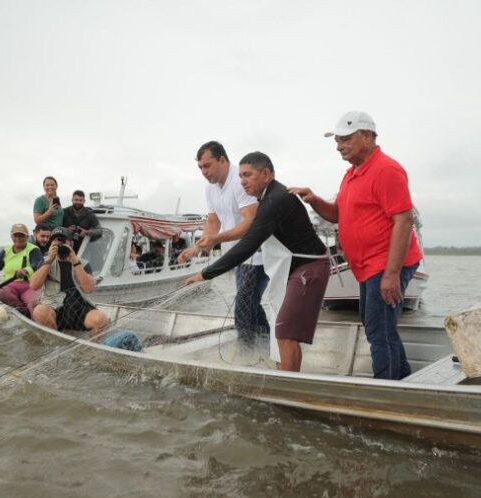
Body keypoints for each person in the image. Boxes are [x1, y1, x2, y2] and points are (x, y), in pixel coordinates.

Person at [289, 111, 422, 380]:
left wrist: (392, 274)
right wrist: (313, 199)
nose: (339, 146)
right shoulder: (351, 174)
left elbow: (404, 220)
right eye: (337, 141)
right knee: (380, 327)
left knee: (377, 330)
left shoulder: (387, 170)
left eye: (345, 139)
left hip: (385, 264)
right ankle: (403, 381)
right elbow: (338, 214)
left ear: (367, 136)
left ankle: (388, 390)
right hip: (365, 265)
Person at [186, 152, 329, 372]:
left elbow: (248, 244)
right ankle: (283, 376)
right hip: (294, 270)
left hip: (308, 269)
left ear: (266, 174)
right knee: (280, 329)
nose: (242, 181)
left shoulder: (276, 200)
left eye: (248, 175)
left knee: (286, 332)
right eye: (241, 176)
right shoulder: (268, 197)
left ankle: (288, 388)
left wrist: (206, 273)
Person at [178, 141, 269, 342]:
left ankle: (247, 354)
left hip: (256, 254)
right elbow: (213, 221)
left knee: (244, 306)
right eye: (200, 167)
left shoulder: (240, 181)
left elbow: (251, 221)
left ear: (222, 160)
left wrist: (216, 238)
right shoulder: (210, 188)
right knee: (250, 303)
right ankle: (266, 346)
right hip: (235, 256)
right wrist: (197, 248)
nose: (203, 171)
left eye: (207, 165)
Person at [30, 227, 109, 333]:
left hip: (79, 307)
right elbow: (34, 285)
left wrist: (74, 260)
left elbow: (89, 289)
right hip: (53, 306)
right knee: (39, 312)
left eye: (63, 240)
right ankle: (55, 343)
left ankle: (89, 348)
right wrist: (49, 260)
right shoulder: (45, 261)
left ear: (71, 243)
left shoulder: (83, 263)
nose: (59, 243)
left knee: (100, 319)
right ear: (51, 243)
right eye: (56, 240)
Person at [0, 223, 44, 316]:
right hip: (11, 287)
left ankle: (33, 314)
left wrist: (25, 271)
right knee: (0, 293)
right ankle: (23, 311)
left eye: (21, 235)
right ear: (11, 236)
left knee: (34, 305)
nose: (18, 238)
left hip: (30, 286)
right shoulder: (6, 251)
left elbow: (37, 264)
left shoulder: (34, 249)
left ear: (27, 236)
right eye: (15, 235)